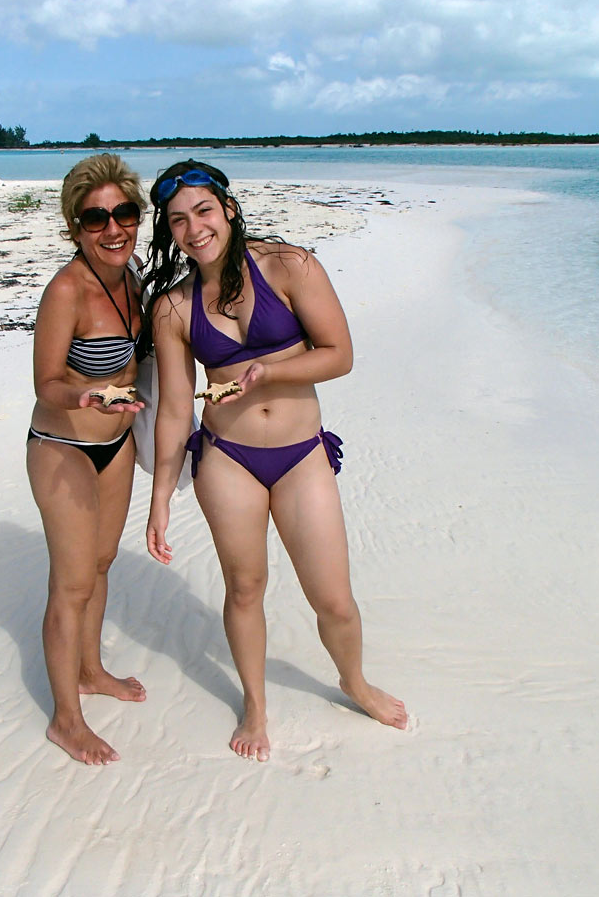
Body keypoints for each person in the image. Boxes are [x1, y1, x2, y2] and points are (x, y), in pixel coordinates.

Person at [144, 160, 407, 762]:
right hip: (227, 458)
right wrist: (160, 498)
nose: (194, 229)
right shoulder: (173, 308)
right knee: (245, 587)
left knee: (333, 598)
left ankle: (355, 682)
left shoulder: (290, 266)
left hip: (301, 456)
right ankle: (256, 707)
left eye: (204, 211)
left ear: (229, 210)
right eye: (178, 220)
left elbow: (339, 354)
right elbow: (174, 410)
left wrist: (270, 373)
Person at [26, 154, 150, 765]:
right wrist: (80, 394)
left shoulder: (133, 282)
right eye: (95, 218)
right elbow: (45, 382)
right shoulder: (66, 290)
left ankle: (91, 670)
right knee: (71, 582)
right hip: (62, 447)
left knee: (101, 564)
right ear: (75, 226)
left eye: (123, 213)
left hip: (116, 445)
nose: (112, 228)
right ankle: (66, 720)